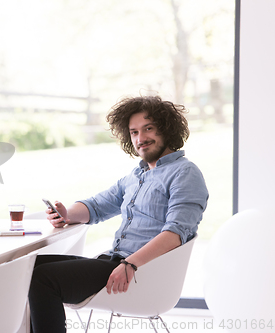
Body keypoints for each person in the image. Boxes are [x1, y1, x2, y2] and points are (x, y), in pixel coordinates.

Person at [28, 95, 209, 333]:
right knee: (28, 267)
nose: (140, 138)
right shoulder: (136, 175)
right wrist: (66, 214)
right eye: (134, 132)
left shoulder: (184, 173)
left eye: (148, 129)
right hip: (114, 262)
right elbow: (97, 205)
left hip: (139, 272)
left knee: (44, 279)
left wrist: (130, 263)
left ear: (166, 129)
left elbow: (176, 233)